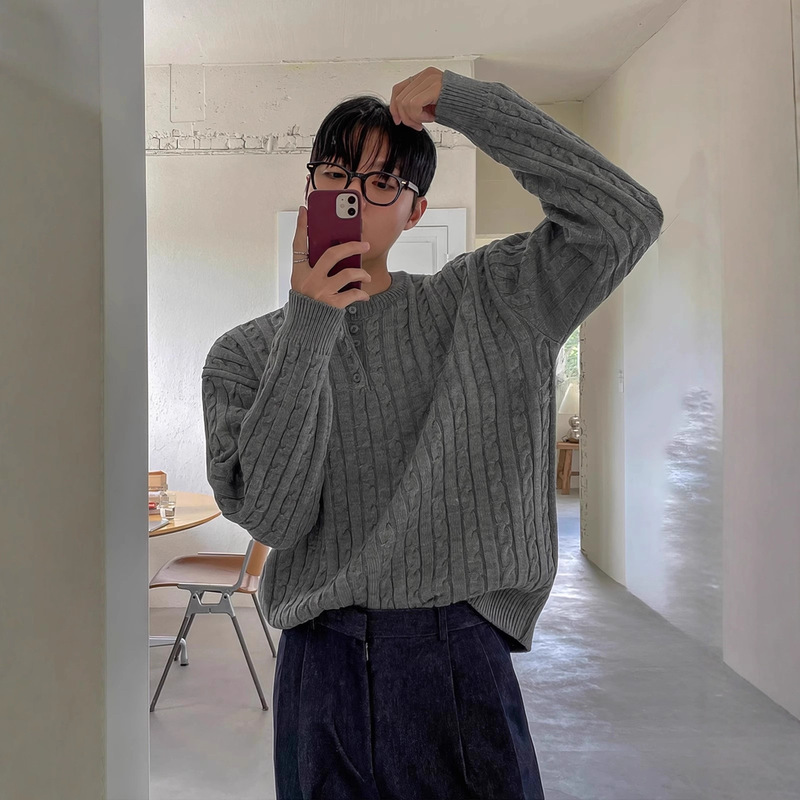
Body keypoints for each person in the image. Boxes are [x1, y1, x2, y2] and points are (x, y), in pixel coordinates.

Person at [201, 66, 663, 800]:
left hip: (460, 655)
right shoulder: (243, 356)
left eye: (383, 182)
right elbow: (274, 518)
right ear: (311, 189)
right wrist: (311, 323)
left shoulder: (490, 301)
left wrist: (470, 104)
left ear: (415, 212)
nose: (354, 195)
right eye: (335, 174)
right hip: (320, 665)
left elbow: (624, 219)